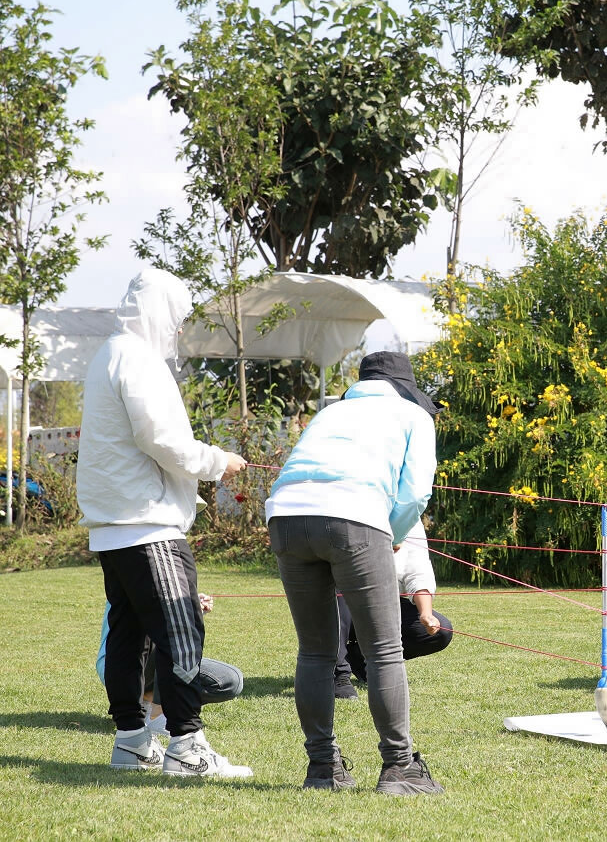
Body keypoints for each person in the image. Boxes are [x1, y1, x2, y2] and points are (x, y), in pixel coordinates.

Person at [77, 267, 250, 778]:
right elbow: (162, 440)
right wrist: (218, 461)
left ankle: (132, 742)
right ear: (159, 312)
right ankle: (187, 747)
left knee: (130, 636)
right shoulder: (137, 359)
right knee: (180, 633)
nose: (177, 329)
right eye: (176, 318)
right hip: (148, 523)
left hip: (114, 526)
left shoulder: (109, 354)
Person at [266, 350, 443, 795]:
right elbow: (416, 492)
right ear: (406, 389)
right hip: (355, 516)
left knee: (314, 652)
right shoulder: (413, 416)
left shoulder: (330, 412)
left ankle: (322, 769)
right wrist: (394, 533)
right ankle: (400, 768)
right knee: (384, 649)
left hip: (285, 517)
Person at [96, 593, 243, 736]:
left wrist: (192, 606)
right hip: (122, 663)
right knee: (168, 647)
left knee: (230, 680)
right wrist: (184, 608)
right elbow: (150, 622)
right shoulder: (136, 580)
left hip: (155, 656)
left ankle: (146, 704)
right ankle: (152, 712)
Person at [342, 521, 454, 687]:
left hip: (382, 602)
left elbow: (417, 569)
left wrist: (426, 613)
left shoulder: (410, 518)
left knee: (441, 632)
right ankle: (337, 670)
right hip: (342, 599)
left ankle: (358, 658)